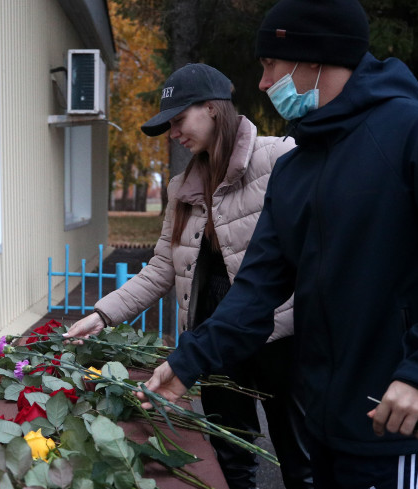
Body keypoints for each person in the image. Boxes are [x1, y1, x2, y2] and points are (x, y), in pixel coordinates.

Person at [135, 0, 418, 488]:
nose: (262, 83)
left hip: (392, 421)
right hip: (320, 422)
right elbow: (255, 290)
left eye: (271, 65)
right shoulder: (296, 168)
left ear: (315, 58)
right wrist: (186, 364)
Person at [64, 63, 313, 489]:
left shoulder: (279, 159)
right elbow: (162, 267)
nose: (174, 133)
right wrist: (102, 315)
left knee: (301, 460)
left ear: (212, 108)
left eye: (179, 119)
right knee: (230, 458)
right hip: (213, 341)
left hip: (282, 339)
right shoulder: (181, 188)